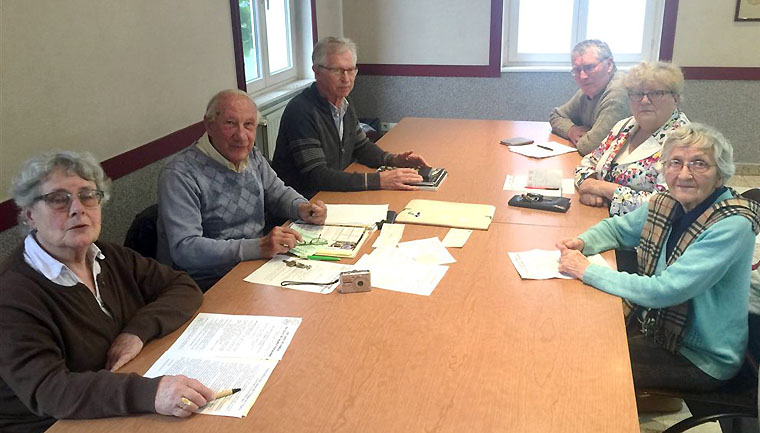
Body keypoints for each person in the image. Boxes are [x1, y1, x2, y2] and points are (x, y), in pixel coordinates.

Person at [0, 151, 215, 433]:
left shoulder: (107, 256)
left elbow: (183, 286)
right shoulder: (12, 293)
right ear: (30, 215)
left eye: (88, 195)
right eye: (58, 199)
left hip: (117, 397)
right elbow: (50, 391)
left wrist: (137, 331)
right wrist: (151, 393)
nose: (77, 208)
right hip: (52, 424)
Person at [557, 124, 760, 393]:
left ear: (720, 174)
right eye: (675, 162)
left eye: (699, 164)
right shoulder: (668, 201)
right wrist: (582, 242)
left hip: (702, 356)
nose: (684, 174)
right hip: (662, 330)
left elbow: (666, 291)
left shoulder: (732, 225)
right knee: (576, 338)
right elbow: (618, 229)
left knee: (588, 371)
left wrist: (587, 271)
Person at [157, 89, 327, 290]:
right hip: (205, 283)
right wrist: (258, 247)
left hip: (255, 266)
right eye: (230, 123)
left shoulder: (252, 155)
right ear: (209, 125)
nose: (241, 135)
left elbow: (277, 192)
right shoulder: (180, 174)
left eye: (248, 125)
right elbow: (185, 248)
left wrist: (302, 208)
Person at [272, 36, 430, 199]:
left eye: (351, 70)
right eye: (337, 71)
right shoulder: (301, 110)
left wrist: (393, 160)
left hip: (330, 195)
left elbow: (361, 146)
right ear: (316, 71)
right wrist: (379, 180)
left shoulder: (344, 103)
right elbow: (316, 175)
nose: (346, 79)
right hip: (303, 204)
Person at [574, 61, 690, 217]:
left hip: (642, 234)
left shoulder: (685, 142)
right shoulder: (625, 126)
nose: (644, 101)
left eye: (655, 93)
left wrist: (601, 188)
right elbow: (587, 163)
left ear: (675, 98)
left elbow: (664, 205)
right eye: (637, 94)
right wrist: (589, 185)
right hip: (599, 216)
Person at [550, 39, 630, 156]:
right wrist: (571, 130)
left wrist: (586, 138)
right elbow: (555, 115)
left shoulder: (618, 92)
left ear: (609, 65)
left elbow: (592, 147)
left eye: (589, 67)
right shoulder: (591, 89)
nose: (582, 76)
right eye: (576, 70)